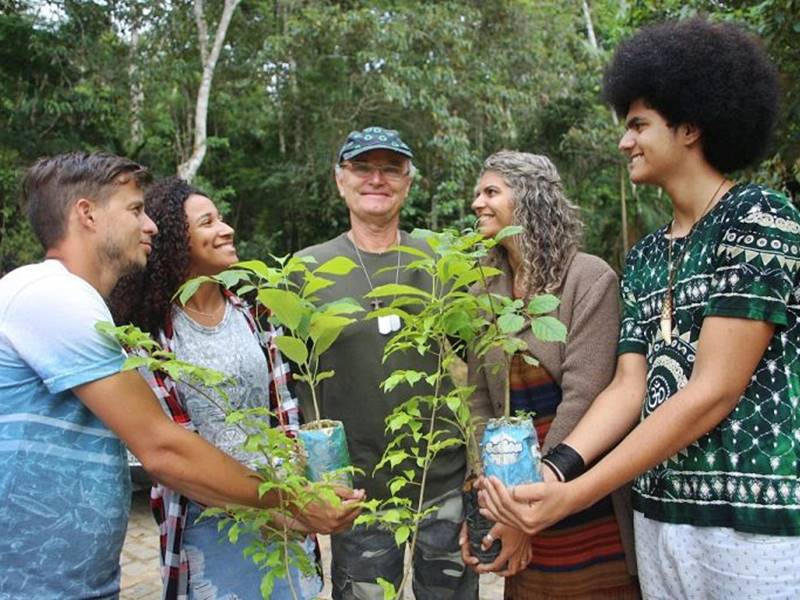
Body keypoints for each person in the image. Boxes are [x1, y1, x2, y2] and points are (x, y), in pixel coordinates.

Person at [478, 18, 800, 599]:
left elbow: (713, 391)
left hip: (751, 523)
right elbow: (628, 387)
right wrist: (553, 472)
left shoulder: (758, 218)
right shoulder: (648, 253)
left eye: (638, 125)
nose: (625, 142)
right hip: (657, 517)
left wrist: (572, 496)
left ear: (690, 127)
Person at [0, 153, 362, 599]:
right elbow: (163, 447)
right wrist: (292, 501)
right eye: (135, 210)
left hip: (73, 582)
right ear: (87, 214)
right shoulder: (52, 294)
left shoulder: (81, 305)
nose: (151, 225)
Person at [109, 176, 322, 599]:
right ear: (176, 240)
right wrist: (271, 510)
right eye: (208, 222)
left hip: (283, 507)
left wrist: (301, 492)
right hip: (208, 521)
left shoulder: (256, 314)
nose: (227, 229)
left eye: (221, 218)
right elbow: (174, 446)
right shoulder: (150, 337)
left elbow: (284, 412)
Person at [295, 126, 477, 599]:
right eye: (362, 167)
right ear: (340, 180)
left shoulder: (441, 262)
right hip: (358, 493)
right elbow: (287, 384)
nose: (376, 179)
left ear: (408, 183)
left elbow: (481, 363)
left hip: (443, 483)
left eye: (391, 169)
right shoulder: (306, 270)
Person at [462, 150, 639, 598]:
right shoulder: (484, 290)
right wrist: (495, 498)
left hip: (578, 491)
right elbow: (479, 399)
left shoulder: (588, 279)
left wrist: (531, 496)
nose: (477, 203)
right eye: (478, 193)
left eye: (491, 192)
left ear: (529, 198)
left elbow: (585, 397)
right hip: (512, 495)